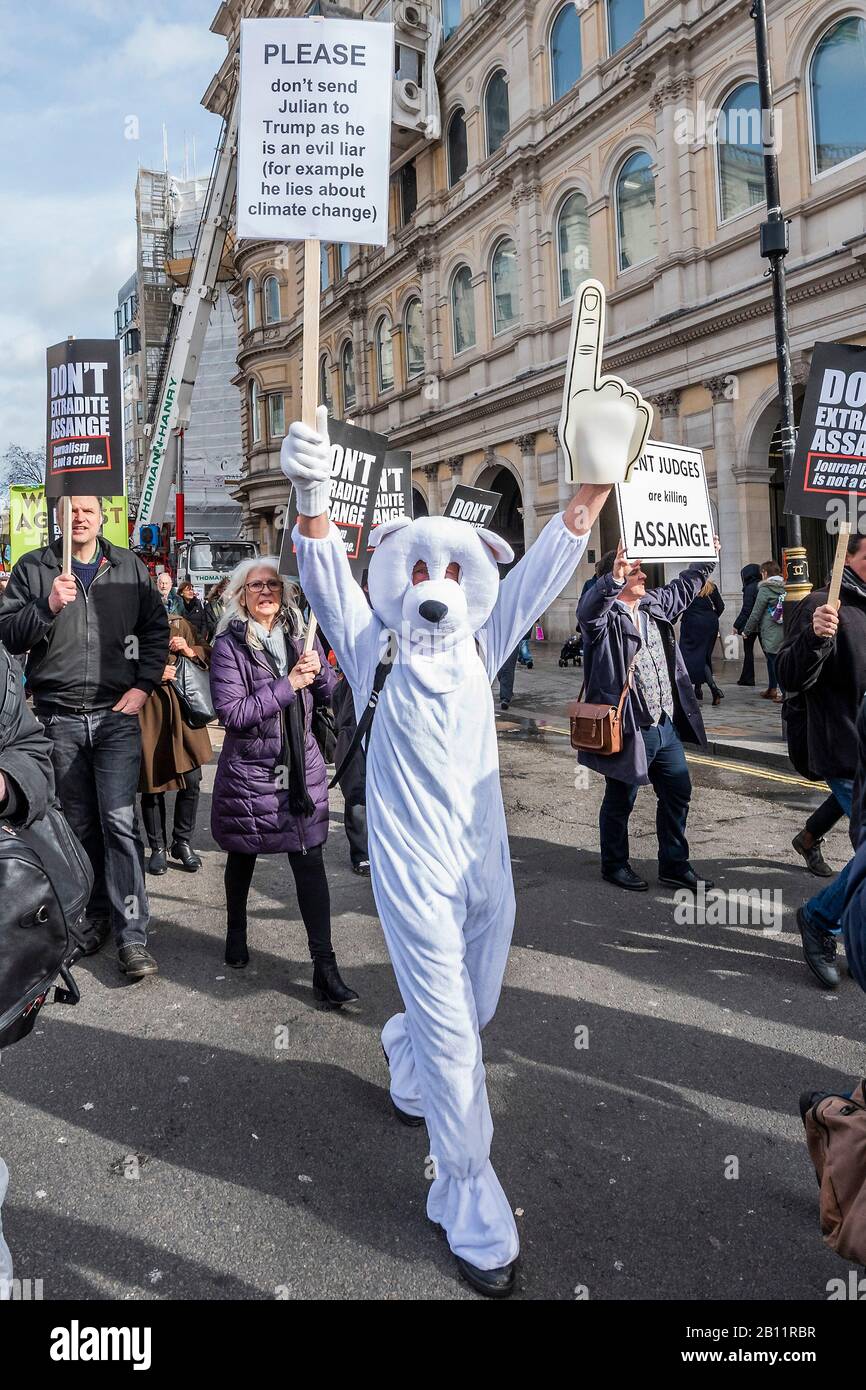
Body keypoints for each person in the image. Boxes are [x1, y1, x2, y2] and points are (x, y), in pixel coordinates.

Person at [283, 409, 616, 1298]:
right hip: (409, 868)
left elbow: (543, 570)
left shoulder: (481, 642)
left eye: (448, 570)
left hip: (485, 868)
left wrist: (592, 486)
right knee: (452, 1030)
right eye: (417, 568)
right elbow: (322, 574)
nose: (432, 585)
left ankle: (404, 1051)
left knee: (472, 1010)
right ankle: (469, 1198)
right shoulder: (373, 642)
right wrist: (312, 494)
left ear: (473, 576)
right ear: (395, 571)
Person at [0, 496, 168, 978]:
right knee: (77, 826)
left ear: (102, 517)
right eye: (72, 510)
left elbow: (155, 630)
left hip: (116, 717)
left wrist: (143, 686)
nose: (79, 517)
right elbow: (9, 636)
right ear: (60, 514)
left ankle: (132, 935)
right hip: (57, 720)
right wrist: (47, 606)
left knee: (119, 823)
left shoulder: (130, 567)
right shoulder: (36, 568)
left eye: (88, 510)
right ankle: (91, 919)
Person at [209, 557, 358, 1005]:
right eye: (256, 585)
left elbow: (332, 696)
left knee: (309, 862)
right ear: (241, 596)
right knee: (243, 855)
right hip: (252, 773)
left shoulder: (300, 639)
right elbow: (232, 713)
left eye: (273, 583)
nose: (266, 591)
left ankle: (324, 966)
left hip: (300, 772)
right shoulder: (228, 645)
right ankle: (237, 931)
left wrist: (321, 672)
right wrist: (289, 684)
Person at [577, 539, 719, 893]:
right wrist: (611, 579)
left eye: (640, 570)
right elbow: (588, 611)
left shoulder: (652, 606)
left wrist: (705, 556)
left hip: (663, 723)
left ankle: (673, 865)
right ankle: (614, 864)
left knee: (678, 790)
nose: (643, 576)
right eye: (635, 571)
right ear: (618, 575)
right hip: (628, 725)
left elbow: (685, 587)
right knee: (621, 798)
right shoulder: (603, 620)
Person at [777, 532, 866, 988]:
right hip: (845, 752)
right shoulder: (821, 602)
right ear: (849, 555)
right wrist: (814, 636)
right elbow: (789, 674)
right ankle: (820, 918)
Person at [139, 610, 212, 875]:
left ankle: (182, 843)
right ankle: (157, 847)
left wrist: (189, 649)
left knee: (192, 781)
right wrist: (152, 673)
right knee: (152, 783)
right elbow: (115, 661)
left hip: (184, 713)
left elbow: (207, 652)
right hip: (149, 712)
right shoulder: (129, 622)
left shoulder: (179, 622)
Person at [331, 670, 369, 874]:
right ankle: (362, 854)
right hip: (355, 731)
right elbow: (337, 699)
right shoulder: (355, 670)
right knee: (357, 791)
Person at [741, 560, 786, 701]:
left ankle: (783, 692)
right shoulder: (786, 587)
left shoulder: (765, 588)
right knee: (773, 660)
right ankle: (772, 688)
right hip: (784, 628)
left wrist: (746, 630)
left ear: (765, 573)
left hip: (770, 629)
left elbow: (756, 612)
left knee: (774, 661)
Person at [679, 579, 725, 704]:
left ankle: (714, 688)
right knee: (704, 656)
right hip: (710, 623)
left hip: (692, 624)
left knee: (692, 657)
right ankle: (698, 689)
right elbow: (721, 606)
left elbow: (679, 606)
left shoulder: (686, 585)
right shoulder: (711, 586)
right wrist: (712, 616)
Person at [733, 563, 761, 686]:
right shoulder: (761, 586)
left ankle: (748, 678)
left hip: (751, 625)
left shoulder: (750, 588)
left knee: (748, 652)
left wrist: (736, 624)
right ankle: (746, 678)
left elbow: (746, 609)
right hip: (762, 623)